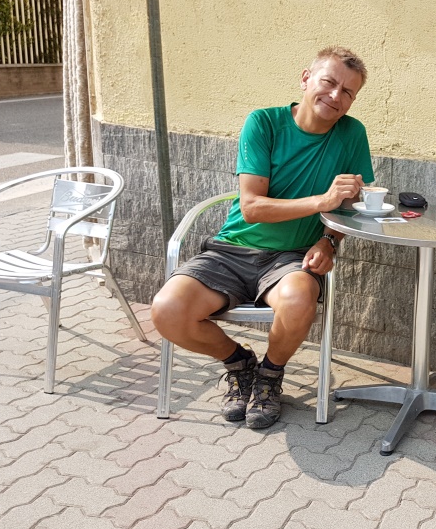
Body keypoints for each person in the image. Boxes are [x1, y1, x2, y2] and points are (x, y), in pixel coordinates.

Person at [151, 46, 373, 429]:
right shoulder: (264, 123)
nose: (336, 96)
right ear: (306, 79)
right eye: (329, 82)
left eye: (348, 92)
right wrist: (322, 201)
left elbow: (349, 205)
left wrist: (329, 241)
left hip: (292, 257)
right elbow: (252, 207)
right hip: (232, 250)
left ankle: (269, 376)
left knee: (299, 299)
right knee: (167, 310)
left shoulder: (352, 134)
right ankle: (239, 363)